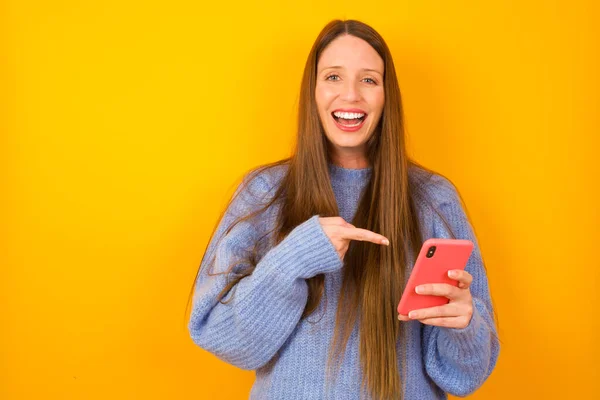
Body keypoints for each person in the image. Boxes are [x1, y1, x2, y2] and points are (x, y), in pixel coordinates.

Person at [187, 19, 499, 400]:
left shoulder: (434, 198)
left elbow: (463, 378)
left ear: (387, 96)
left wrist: (463, 327)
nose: (350, 95)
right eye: (333, 77)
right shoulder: (264, 192)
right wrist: (293, 258)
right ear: (313, 91)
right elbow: (218, 334)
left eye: (369, 80)